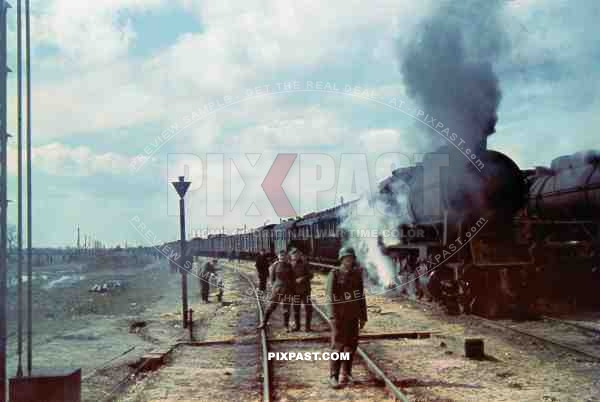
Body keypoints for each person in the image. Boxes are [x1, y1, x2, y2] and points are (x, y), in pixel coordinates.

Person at [326, 247, 367, 389]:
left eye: (351, 258)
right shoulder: (335, 274)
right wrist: (333, 317)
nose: (349, 260)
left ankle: (347, 373)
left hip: (353, 316)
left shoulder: (356, 274)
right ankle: (334, 376)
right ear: (341, 259)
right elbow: (330, 297)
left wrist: (363, 316)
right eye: (346, 258)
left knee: (351, 346)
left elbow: (361, 297)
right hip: (339, 317)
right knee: (338, 346)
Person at [257, 251, 295, 331]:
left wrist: (291, 288)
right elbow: (272, 279)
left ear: (286, 257)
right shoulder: (274, 266)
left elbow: (292, 278)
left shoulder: (289, 266)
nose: (283, 257)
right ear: (278, 256)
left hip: (288, 289)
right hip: (277, 289)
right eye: (281, 256)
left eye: (284, 256)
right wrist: (275, 287)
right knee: (271, 306)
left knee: (286, 308)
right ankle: (264, 323)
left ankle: (286, 326)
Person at [289, 248, 313, 332]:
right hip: (294, 291)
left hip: (305, 290)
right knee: (296, 309)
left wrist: (302, 278)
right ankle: (297, 327)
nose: (295, 256)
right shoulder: (289, 265)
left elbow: (311, 275)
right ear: (291, 255)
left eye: (297, 254)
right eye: (293, 254)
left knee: (308, 309)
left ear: (299, 255)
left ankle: (308, 327)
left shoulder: (305, 263)